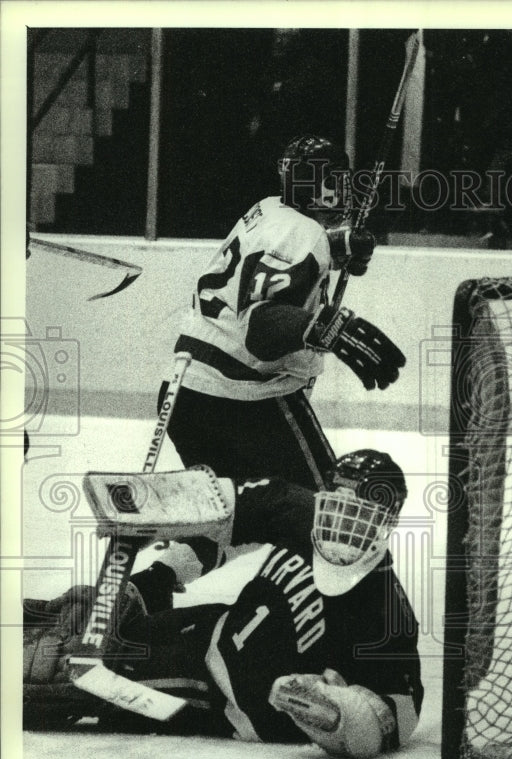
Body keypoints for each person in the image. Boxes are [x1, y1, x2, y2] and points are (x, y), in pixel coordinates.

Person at [23, 451, 423, 759]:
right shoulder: (298, 511)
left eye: (360, 512)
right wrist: (156, 553)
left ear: (388, 521)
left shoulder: (386, 609)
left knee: (63, 671)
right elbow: (219, 512)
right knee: (87, 617)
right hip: (213, 627)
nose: (341, 521)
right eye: (337, 501)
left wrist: (341, 716)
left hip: (223, 696)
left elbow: (399, 714)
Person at [160, 134, 406, 492]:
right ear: (317, 185)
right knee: (322, 509)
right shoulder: (302, 232)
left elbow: (264, 268)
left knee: (229, 516)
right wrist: (328, 328)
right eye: (336, 179)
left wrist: (342, 245)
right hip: (245, 399)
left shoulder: (269, 207)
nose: (344, 187)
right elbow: (260, 326)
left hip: (186, 391)